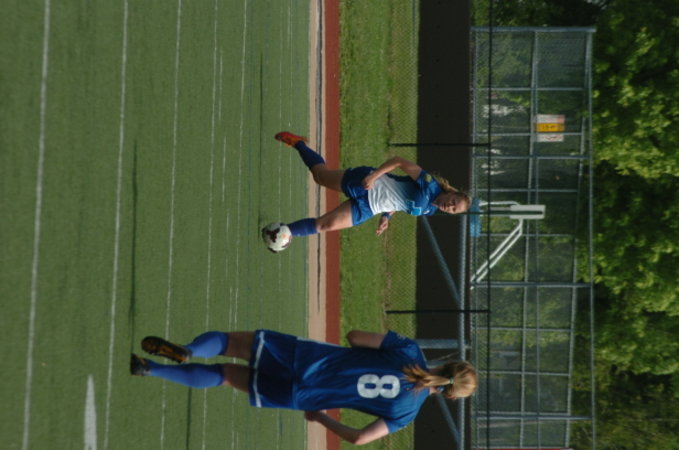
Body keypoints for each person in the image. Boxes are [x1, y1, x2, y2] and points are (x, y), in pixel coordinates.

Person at [130, 329, 478, 445]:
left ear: (450, 362)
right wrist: (320, 417)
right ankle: (151, 369)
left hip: (304, 358)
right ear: (450, 396)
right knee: (225, 376)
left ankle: (188, 351)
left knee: (226, 343)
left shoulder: (410, 352)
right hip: (303, 396)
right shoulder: (406, 413)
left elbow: (355, 336)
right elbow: (359, 438)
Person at [272, 131, 471, 238]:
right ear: (451, 193)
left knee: (326, 225)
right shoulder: (429, 185)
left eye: (454, 210)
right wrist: (374, 176)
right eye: (454, 202)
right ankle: (298, 143)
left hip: (369, 208)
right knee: (320, 176)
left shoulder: (430, 210)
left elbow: (403, 200)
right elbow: (398, 161)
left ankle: (281, 234)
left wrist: (386, 216)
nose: (450, 206)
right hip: (366, 183)